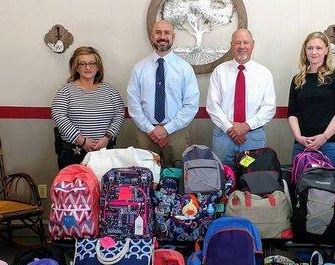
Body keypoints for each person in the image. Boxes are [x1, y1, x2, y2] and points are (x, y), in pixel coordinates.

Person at [127, 19, 199, 166]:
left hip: (176, 132)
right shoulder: (139, 68)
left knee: (178, 177)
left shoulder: (185, 68)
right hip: (146, 133)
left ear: (173, 37)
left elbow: (191, 105)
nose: (162, 36)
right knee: (146, 179)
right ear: (152, 36)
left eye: (167, 33)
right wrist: (151, 130)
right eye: (158, 32)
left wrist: (166, 129)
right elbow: (133, 104)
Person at [206, 28, 276, 168]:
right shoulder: (219, 72)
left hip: (252, 137)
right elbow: (212, 105)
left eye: (246, 42)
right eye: (238, 42)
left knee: (252, 180)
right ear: (231, 45)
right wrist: (230, 129)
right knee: (222, 178)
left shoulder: (264, 73)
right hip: (224, 136)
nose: (242, 46)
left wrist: (245, 126)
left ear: (253, 44)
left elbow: (269, 108)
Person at [52, 46, 125, 170]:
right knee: (75, 189)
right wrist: (81, 140)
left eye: (92, 63)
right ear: (76, 67)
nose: (88, 67)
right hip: (72, 155)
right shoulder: (65, 91)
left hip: (104, 152)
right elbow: (59, 116)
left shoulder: (111, 91)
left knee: (103, 188)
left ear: (98, 67)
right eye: (83, 64)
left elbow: (119, 114)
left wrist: (107, 137)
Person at [288, 31, 335, 172]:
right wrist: (298, 137)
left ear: (326, 50)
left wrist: (324, 137)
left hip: (331, 145)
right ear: (305, 50)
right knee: (301, 191)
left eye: (318, 48)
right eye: (310, 48)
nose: (314, 52)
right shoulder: (297, 79)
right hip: (301, 144)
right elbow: (292, 112)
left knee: (328, 192)